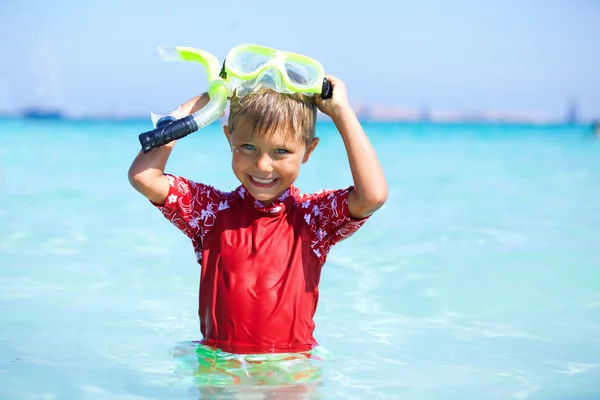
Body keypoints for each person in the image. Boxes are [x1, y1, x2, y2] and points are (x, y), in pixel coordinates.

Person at [128, 68, 387, 358]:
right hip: (221, 366)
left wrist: (341, 112)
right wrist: (207, 104)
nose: (263, 166)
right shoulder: (210, 212)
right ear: (229, 139)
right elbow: (144, 177)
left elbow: (372, 196)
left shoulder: (312, 218)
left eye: (281, 151)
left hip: (290, 370)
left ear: (308, 150)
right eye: (248, 147)